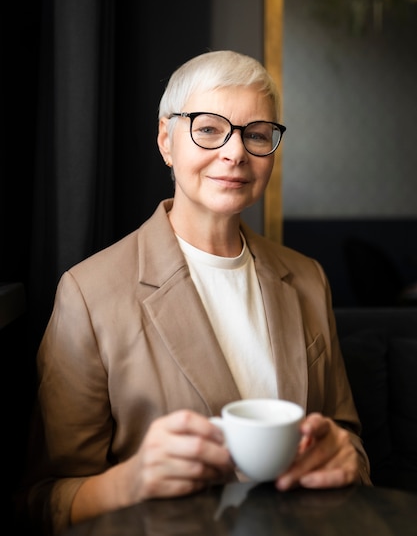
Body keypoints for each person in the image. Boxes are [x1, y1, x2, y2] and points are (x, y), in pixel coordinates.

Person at [22, 50, 371, 535]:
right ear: (167, 140)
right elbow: (43, 498)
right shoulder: (89, 292)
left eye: (256, 134)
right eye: (208, 128)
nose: (235, 152)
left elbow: (347, 439)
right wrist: (131, 481)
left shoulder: (307, 277)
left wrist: (345, 457)